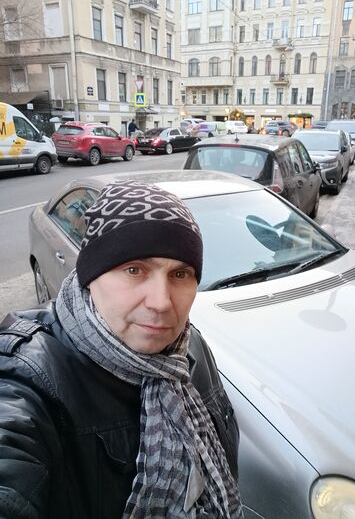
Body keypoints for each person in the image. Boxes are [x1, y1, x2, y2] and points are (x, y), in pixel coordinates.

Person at [0, 181, 244, 518]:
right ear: (91, 275)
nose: (161, 302)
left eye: (180, 273)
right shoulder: (27, 378)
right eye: (134, 270)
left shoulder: (191, 350)